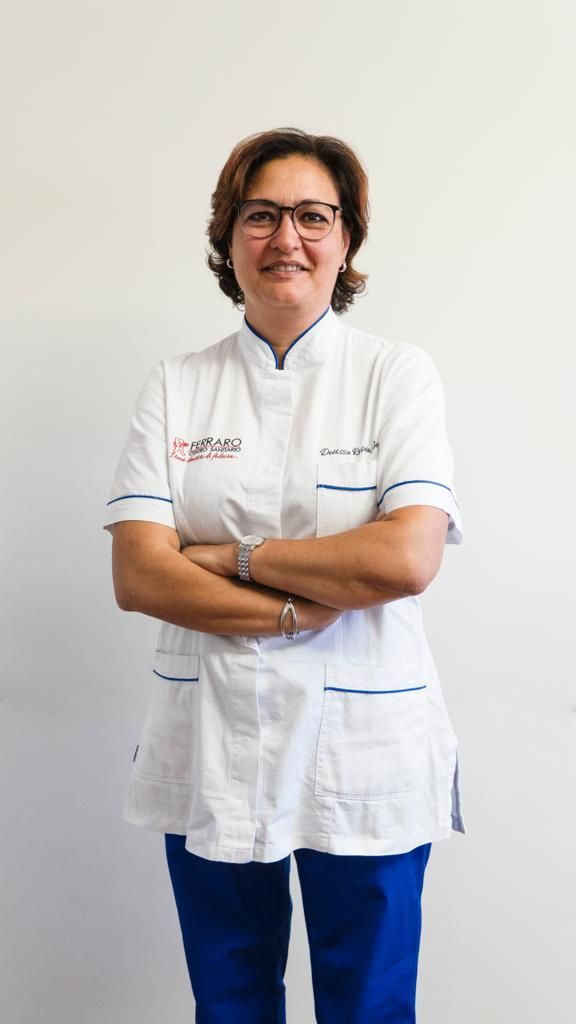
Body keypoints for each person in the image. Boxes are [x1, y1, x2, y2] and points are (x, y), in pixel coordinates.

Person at [102, 127, 465, 1024]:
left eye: (312, 215)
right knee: (228, 1002)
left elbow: (405, 559)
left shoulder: (394, 375)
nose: (286, 238)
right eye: (260, 215)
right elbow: (140, 575)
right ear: (228, 237)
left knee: (368, 1005)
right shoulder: (178, 384)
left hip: (363, 744)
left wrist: (232, 557)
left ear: (347, 238)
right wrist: (299, 609)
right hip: (210, 738)